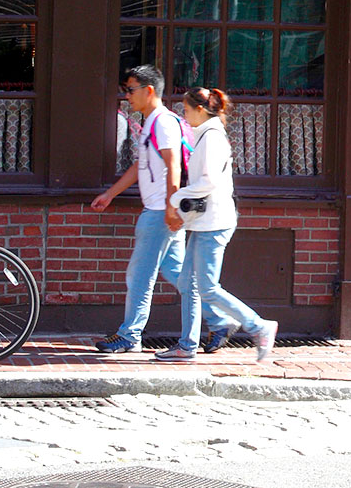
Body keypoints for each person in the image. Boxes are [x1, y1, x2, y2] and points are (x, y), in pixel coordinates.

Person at [90, 66, 241, 354]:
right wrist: (111, 194)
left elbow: (173, 165)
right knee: (179, 274)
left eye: (131, 90)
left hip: (160, 211)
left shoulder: (162, 122)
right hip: (161, 210)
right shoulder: (151, 122)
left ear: (148, 91)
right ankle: (219, 321)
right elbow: (142, 166)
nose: (127, 96)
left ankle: (130, 335)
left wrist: (171, 209)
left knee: (139, 274)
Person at [154, 88, 277, 364]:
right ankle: (186, 345)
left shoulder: (211, 138)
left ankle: (258, 326)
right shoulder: (207, 135)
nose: (183, 117)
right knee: (188, 283)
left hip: (214, 223)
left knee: (207, 287)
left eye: (185, 111)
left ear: (200, 110)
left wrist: (175, 198)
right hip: (206, 222)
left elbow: (208, 182)